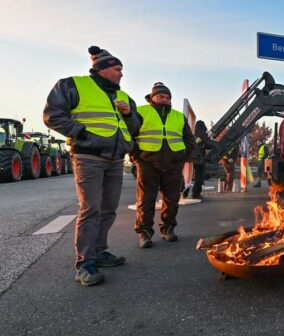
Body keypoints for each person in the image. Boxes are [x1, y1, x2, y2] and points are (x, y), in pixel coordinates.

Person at [43, 46, 140, 286]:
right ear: (103, 69)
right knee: (91, 209)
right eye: (117, 69)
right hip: (89, 157)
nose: (121, 74)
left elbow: (135, 127)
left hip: (115, 159)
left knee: (108, 209)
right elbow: (52, 115)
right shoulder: (72, 85)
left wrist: (128, 115)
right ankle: (84, 263)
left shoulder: (124, 97)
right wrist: (83, 133)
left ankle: (98, 251)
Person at [132, 82, 194, 248]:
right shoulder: (140, 112)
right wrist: (135, 156)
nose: (165, 99)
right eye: (161, 96)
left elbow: (189, 138)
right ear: (152, 97)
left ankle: (168, 229)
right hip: (147, 162)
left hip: (173, 163)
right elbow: (129, 134)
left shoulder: (178, 116)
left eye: (167, 97)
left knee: (172, 199)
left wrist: (183, 157)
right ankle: (144, 233)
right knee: (146, 200)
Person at [189, 120, 215, 200]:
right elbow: (208, 145)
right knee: (199, 177)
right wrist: (215, 144)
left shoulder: (192, 133)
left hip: (190, 157)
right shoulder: (203, 134)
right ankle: (196, 194)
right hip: (199, 159)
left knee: (187, 176)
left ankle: (184, 193)